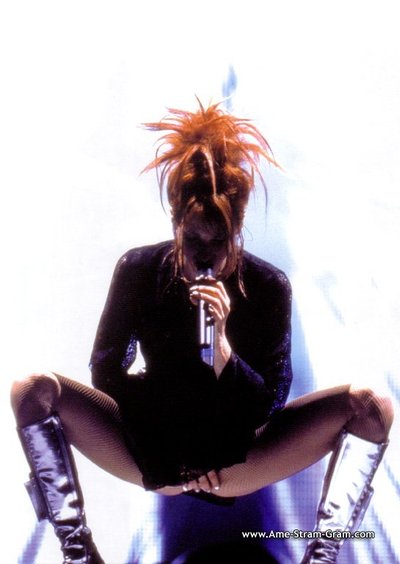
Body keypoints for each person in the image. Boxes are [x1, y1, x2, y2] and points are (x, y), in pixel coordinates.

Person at [11, 101, 393, 564]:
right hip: (152, 449)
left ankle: (323, 557)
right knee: (31, 390)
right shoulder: (140, 269)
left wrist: (224, 354)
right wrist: (165, 446)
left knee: (372, 406)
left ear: (237, 230)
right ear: (176, 226)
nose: (205, 255)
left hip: (237, 455)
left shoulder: (268, 286)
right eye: (193, 240)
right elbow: (106, 370)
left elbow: (271, 401)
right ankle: (79, 555)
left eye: (220, 241)